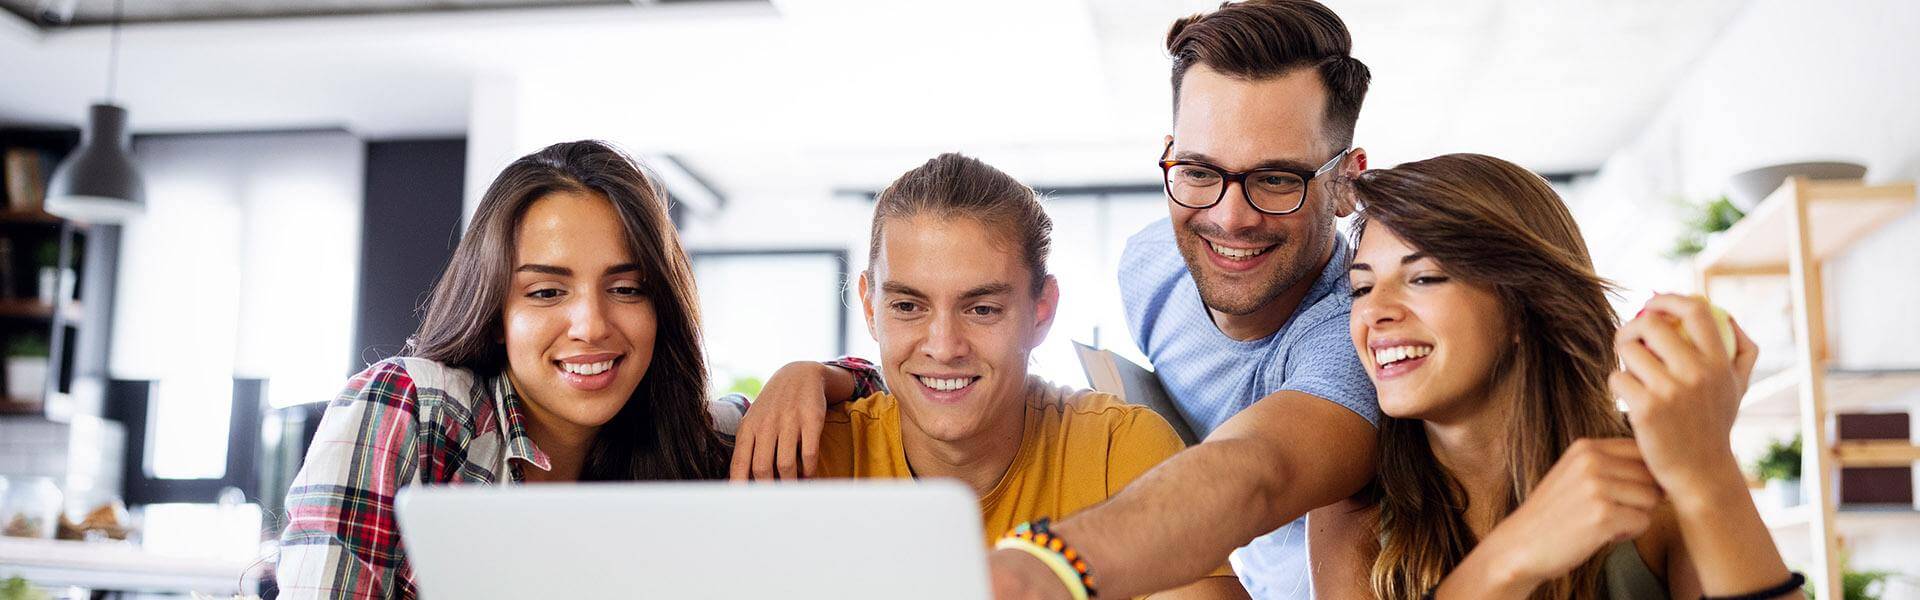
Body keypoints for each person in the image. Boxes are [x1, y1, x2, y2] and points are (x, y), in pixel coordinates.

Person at [738, 3, 1380, 597]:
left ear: (1347, 184)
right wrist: (835, 378)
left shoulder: (1358, 337)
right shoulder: (1153, 265)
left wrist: (1035, 566)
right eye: (1199, 172)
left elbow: (1259, 472)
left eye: (1276, 179)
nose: (1229, 219)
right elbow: (946, 359)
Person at [1309, 153, 1798, 600]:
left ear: (1524, 307)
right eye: (1362, 286)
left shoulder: (1654, 484)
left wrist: (1708, 473)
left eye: (1424, 278)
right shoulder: (1356, 505)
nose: (1375, 312)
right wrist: (1512, 557)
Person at [275, 140, 735, 599]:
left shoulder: (686, 442)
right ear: (495, 313)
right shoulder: (412, 406)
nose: (591, 326)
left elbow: (751, 421)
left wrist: (805, 376)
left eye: (627, 288)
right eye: (546, 292)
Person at [812, 153, 1246, 599]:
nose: (943, 347)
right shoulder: (811, 455)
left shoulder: (1119, 451)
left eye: (982, 309)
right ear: (869, 306)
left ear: (1042, 311)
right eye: (907, 307)